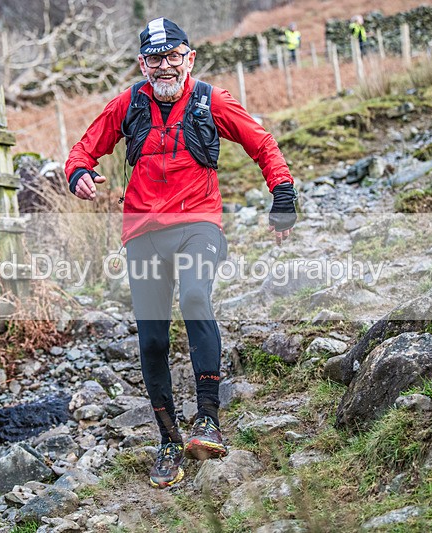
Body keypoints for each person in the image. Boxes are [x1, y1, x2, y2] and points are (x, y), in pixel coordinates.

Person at [65, 17, 297, 489]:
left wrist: (283, 194)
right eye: (156, 58)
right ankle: (169, 440)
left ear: (189, 58)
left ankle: (208, 420)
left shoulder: (212, 101)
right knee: (151, 340)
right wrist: (79, 175)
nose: (165, 66)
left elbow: (262, 143)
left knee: (194, 299)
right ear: (143, 64)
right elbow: (81, 152)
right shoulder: (127, 104)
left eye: (174, 56)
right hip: (143, 233)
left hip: (198, 225)